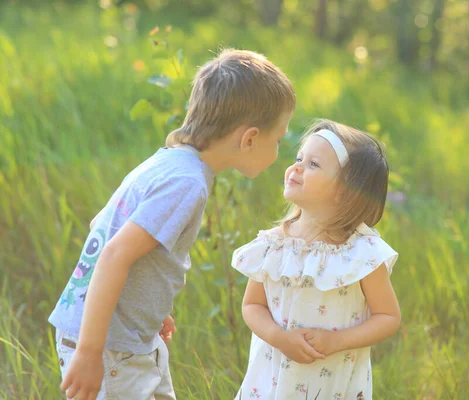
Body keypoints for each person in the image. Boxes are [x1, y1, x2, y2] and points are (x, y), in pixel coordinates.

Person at [48, 48, 295, 400]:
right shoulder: (187, 183)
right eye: (279, 140)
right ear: (250, 138)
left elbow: (100, 226)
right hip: (109, 346)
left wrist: (148, 306)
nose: (278, 152)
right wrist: (90, 351)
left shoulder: (167, 163)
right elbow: (115, 253)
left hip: (124, 335)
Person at [233, 119, 401, 399]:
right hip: (273, 379)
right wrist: (280, 339)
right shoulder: (274, 245)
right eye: (299, 158)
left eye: (313, 165)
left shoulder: (360, 253)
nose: (296, 167)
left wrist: (337, 341)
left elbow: (388, 316)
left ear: (343, 191)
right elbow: (252, 305)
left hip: (333, 383)